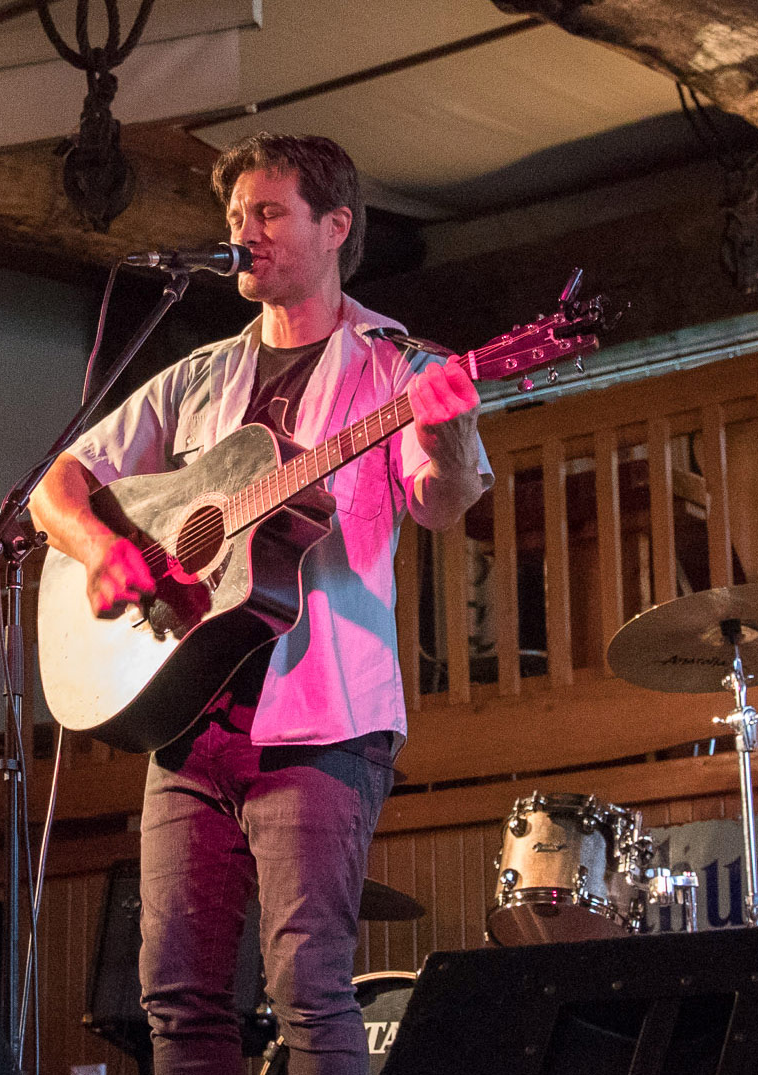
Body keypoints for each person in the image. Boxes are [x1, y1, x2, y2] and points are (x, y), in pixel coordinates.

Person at [29, 133, 489, 1075]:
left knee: (309, 992)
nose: (245, 233)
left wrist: (449, 433)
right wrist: (106, 548)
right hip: (190, 717)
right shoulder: (201, 375)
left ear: (336, 226)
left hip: (322, 719)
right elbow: (54, 486)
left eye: (268, 213)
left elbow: (442, 503)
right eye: (237, 217)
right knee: (176, 996)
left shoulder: (391, 364)